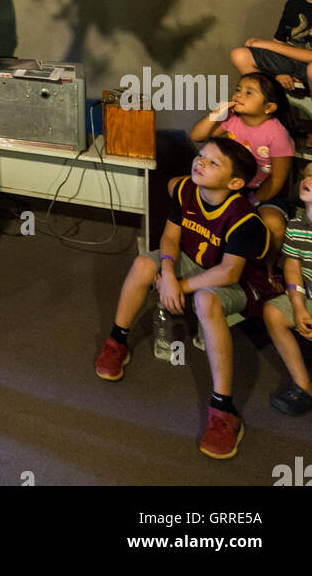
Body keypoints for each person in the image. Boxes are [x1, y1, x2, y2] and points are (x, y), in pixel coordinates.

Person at [95, 138, 276, 460]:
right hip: (195, 262)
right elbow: (170, 236)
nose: (200, 163)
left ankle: (224, 409)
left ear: (235, 183)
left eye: (213, 162)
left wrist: (179, 286)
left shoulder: (243, 218)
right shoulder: (185, 190)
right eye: (201, 156)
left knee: (206, 300)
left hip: (239, 281)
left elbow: (229, 273)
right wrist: (166, 274)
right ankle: (117, 341)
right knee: (142, 264)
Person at [186, 71, 297, 259]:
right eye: (239, 90)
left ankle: (267, 270)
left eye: (249, 92)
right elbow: (197, 136)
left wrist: (252, 200)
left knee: (274, 224)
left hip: (263, 191)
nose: (239, 95)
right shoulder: (232, 119)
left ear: (268, 107)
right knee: (182, 190)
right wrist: (216, 114)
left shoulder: (277, 134)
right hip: (229, 185)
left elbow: (277, 180)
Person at [263, 161, 312, 415]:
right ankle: (302, 384)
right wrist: (297, 305)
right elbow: (292, 266)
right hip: (307, 295)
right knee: (273, 313)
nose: (308, 179)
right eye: (307, 175)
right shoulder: (297, 222)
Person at [231, 0, 312, 97]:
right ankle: (270, 102)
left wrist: (264, 44)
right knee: (239, 54)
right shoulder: (293, 4)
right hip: (294, 64)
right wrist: (276, 74)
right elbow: (279, 44)